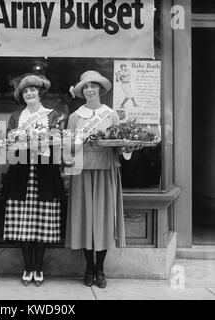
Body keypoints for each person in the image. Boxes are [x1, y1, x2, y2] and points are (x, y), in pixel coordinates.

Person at [2, 74, 65, 286]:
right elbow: (10, 145)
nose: (30, 93)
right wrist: (20, 143)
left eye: (33, 89)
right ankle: (27, 267)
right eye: (26, 91)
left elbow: (57, 142)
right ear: (22, 95)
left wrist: (44, 142)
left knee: (42, 222)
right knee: (24, 223)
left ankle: (39, 268)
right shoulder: (15, 116)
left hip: (45, 172)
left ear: (40, 92)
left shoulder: (53, 115)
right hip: (21, 174)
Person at [66, 71, 126, 289]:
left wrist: (123, 146)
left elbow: (119, 147)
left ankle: (100, 268)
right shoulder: (75, 117)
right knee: (85, 219)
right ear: (82, 91)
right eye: (86, 87)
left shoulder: (111, 115)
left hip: (105, 171)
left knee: (103, 219)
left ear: (100, 89)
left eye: (94, 86)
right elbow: (68, 148)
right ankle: (88, 268)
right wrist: (81, 140)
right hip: (82, 172)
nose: (90, 90)